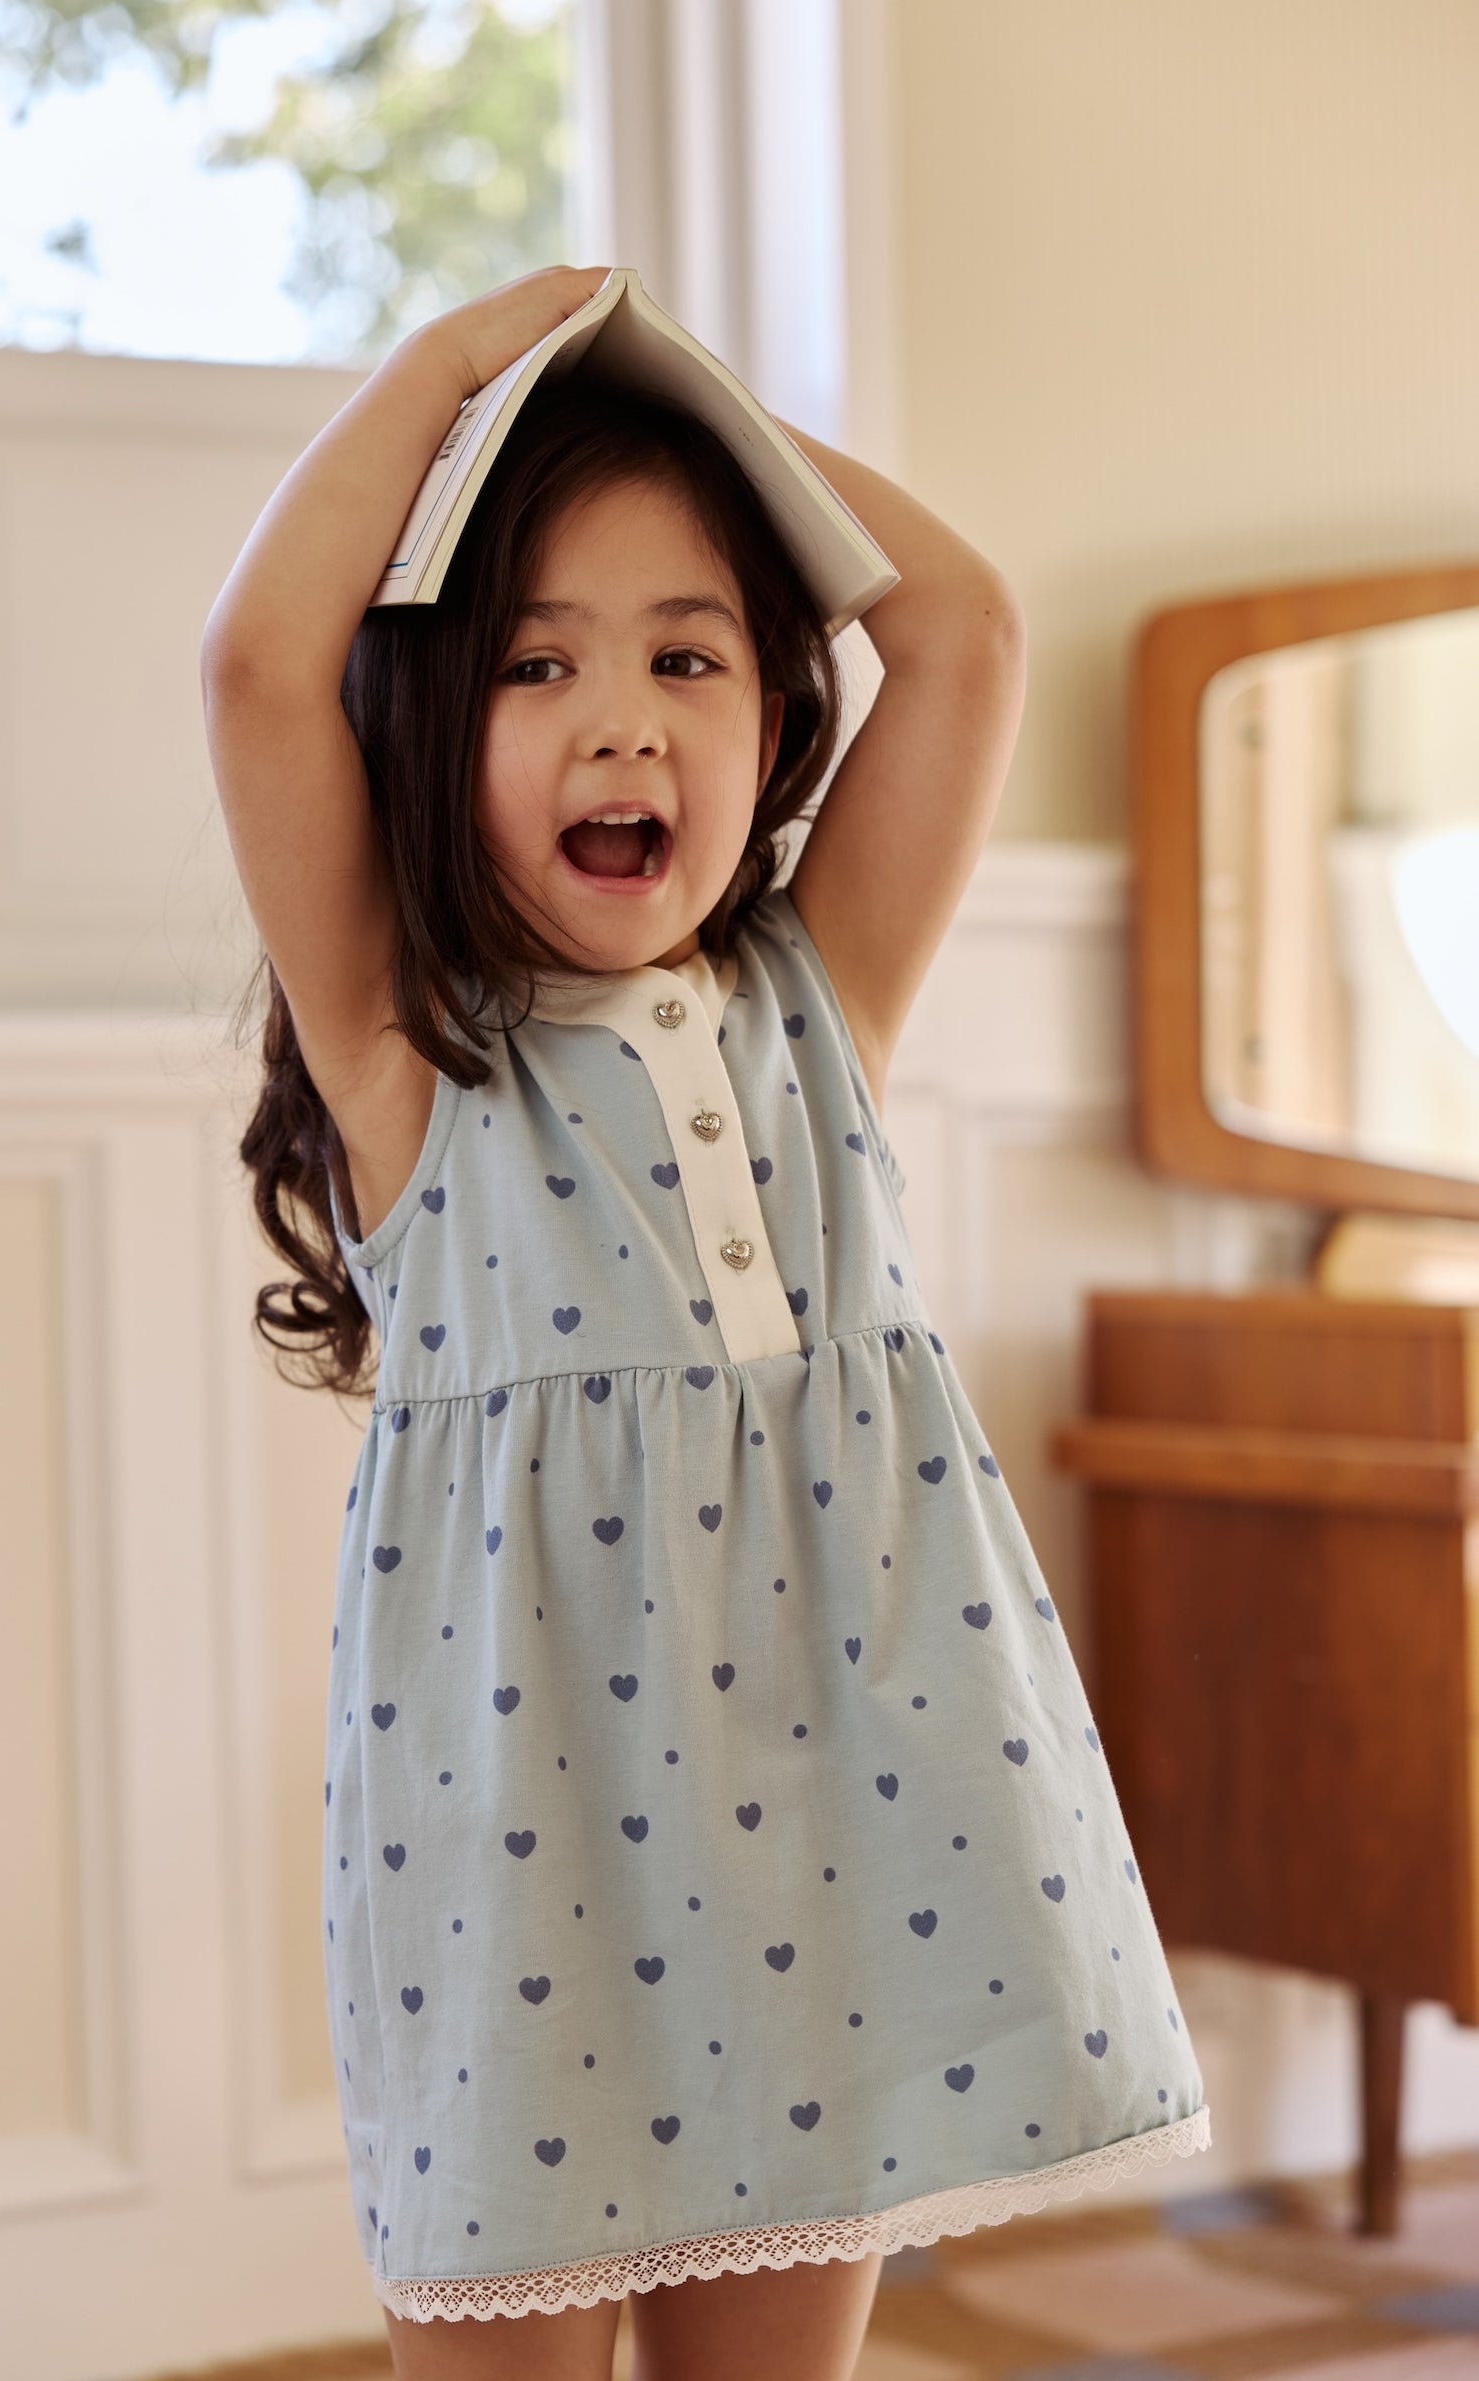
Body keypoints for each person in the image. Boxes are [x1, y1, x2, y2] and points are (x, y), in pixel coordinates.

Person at [200, 264, 1210, 2381]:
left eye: (689, 652)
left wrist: (692, 401)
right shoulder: (410, 1061)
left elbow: (960, 627)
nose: (622, 717)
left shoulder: (810, 1008)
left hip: (831, 1809)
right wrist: (466, 371)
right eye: (534, 665)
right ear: (432, 720)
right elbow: (256, 667)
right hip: (521, 1847)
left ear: (773, 716)